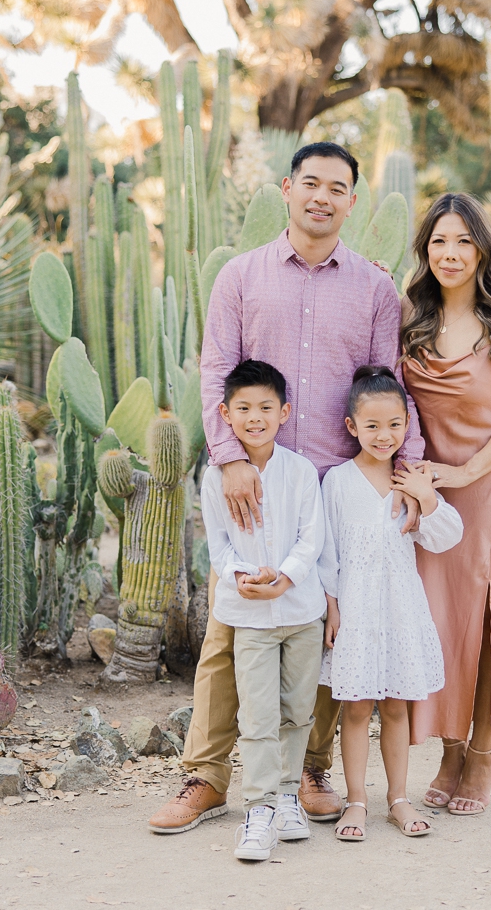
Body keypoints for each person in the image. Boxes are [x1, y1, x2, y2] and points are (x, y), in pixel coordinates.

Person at [150, 141, 426, 833]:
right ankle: (206, 776)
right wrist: (228, 456)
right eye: (311, 183)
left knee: (329, 627)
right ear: (286, 188)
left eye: (337, 188)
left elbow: (384, 383)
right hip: (253, 475)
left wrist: (405, 471)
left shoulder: (372, 288)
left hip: (334, 484)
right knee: (228, 625)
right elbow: (216, 370)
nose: (322, 197)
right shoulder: (240, 277)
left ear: (352, 201)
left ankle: (309, 770)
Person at [400, 192, 491, 816]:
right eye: (438, 241)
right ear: (425, 250)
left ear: (483, 247)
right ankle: (448, 749)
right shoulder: (410, 314)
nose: (450, 253)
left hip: (486, 486)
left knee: (487, 623)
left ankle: (481, 753)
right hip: (429, 493)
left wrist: (466, 470)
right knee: (440, 622)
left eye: (463, 241)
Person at [318, 365, 463, 842]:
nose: (385, 435)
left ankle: (398, 799)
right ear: (352, 427)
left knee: (397, 707)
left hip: (400, 608)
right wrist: (332, 607)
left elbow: (446, 537)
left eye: (395, 424)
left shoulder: (411, 480)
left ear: (407, 424)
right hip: (356, 612)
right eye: (373, 425)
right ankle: (356, 801)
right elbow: (328, 550)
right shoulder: (337, 482)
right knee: (356, 708)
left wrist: (426, 495)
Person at [200, 360, 326, 862]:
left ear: (285, 412)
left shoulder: (300, 472)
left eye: (266, 408)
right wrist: (244, 578)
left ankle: (288, 796)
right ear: (225, 414)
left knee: (297, 712)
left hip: (300, 612)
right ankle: (258, 810)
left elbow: (311, 537)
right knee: (257, 715)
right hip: (250, 615)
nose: (255, 417)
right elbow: (219, 548)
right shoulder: (216, 479)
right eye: (244, 408)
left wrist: (286, 578)